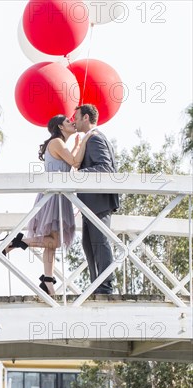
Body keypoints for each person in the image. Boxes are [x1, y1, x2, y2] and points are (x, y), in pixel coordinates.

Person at [1, 114, 94, 296]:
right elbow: (75, 162)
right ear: (60, 126)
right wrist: (85, 140)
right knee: (55, 241)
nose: (72, 122)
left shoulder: (60, 144)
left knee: (51, 242)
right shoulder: (56, 143)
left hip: (57, 196)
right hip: (53, 197)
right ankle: (16, 242)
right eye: (68, 121)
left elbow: (70, 163)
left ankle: (47, 281)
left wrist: (76, 145)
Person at [73, 104, 119, 294]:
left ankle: (106, 286)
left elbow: (106, 169)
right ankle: (97, 285)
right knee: (88, 244)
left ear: (85, 118)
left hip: (98, 201)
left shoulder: (95, 139)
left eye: (76, 117)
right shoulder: (89, 139)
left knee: (100, 243)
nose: (73, 121)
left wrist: (78, 175)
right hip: (90, 203)